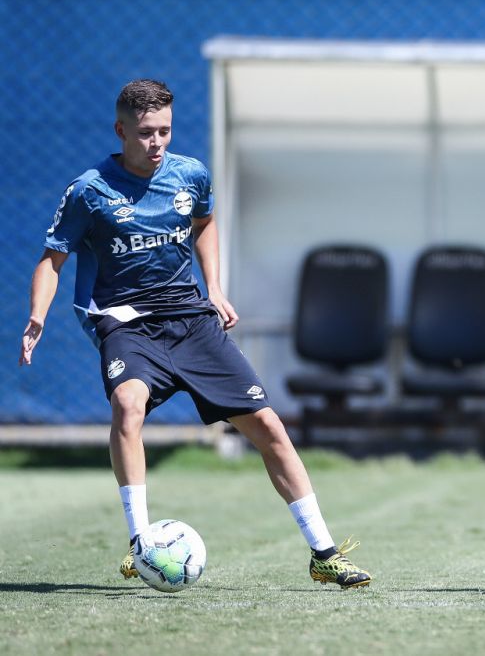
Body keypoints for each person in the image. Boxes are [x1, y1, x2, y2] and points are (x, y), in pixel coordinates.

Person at [20, 79, 371, 590]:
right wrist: (38, 316)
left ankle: (324, 554)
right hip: (127, 322)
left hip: (192, 320)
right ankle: (140, 543)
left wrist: (216, 288)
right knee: (127, 406)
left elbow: (204, 222)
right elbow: (51, 260)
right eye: (144, 133)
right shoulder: (89, 191)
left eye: (164, 130)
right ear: (121, 131)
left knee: (269, 428)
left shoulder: (190, 175)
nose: (156, 141)